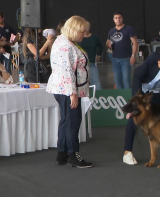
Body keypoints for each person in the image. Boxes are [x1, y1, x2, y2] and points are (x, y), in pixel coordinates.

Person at [46, 15, 92, 168]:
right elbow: (67, 70)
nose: (84, 35)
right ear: (74, 30)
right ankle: (73, 154)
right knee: (72, 121)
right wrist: (73, 93)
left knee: (66, 120)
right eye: (82, 32)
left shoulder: (63, 41)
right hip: (67, 89)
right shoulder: (66, 45)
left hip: (63, 88)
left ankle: (62, 153)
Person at [106, 12, 138, 89]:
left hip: (126, 58)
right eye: (116, 18)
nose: (118, 19)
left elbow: (135, 42)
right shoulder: (111, 31)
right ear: (113, 20)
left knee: (126, 80)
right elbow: (107, 42)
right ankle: (120, 98)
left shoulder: (128, 29)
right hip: (115, 58)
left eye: (119, 17)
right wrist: (108, 44)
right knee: (117, 80)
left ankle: (128, 98)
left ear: (122, 18)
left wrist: (133, 55)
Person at [78, 24, 103, 90]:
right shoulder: (79, 38)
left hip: (92, 63)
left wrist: (99, 55)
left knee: (96, 83)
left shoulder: (94, 38)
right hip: (81, 64)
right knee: (82, 83)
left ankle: (99, 98)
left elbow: (101, 46)